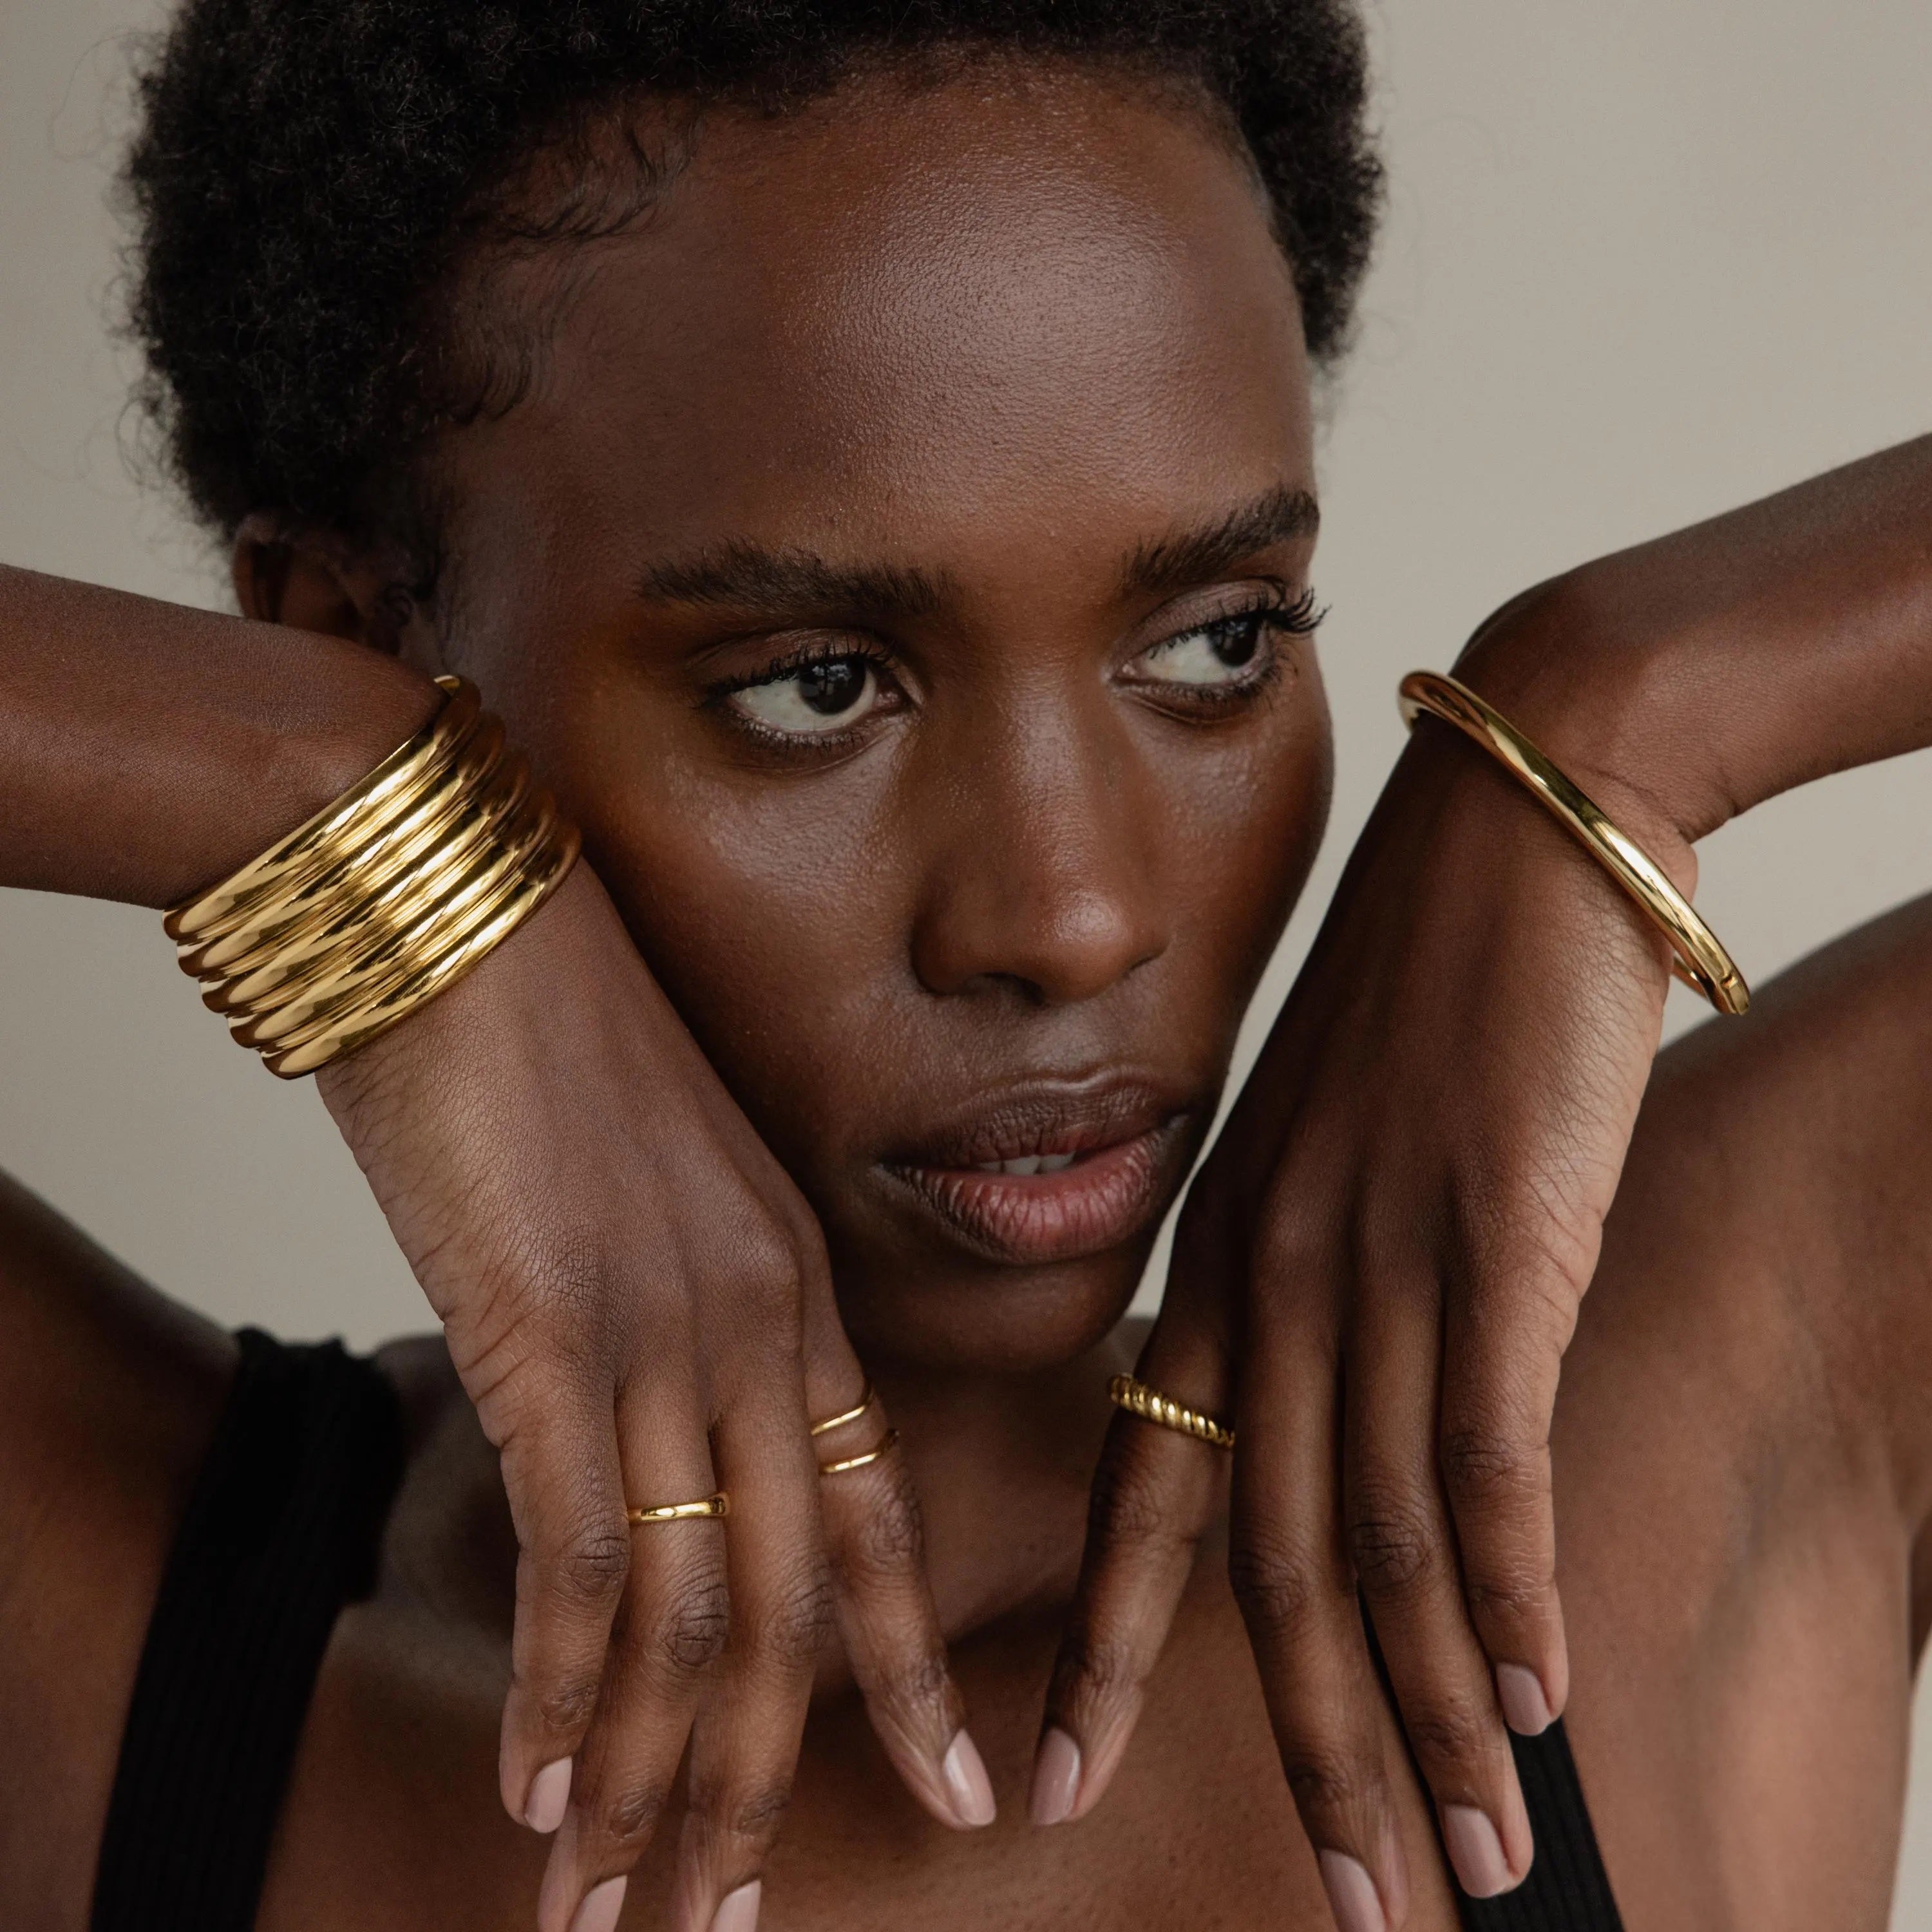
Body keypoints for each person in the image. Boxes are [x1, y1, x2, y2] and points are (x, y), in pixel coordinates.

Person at [2, 3, 1930, 1928]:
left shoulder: (1714, 1407)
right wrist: (306, 787)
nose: (1069, 918)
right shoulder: (101, 1599)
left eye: (1218, 644)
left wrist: (1608, 714)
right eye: (817, 686)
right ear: (361, 645)